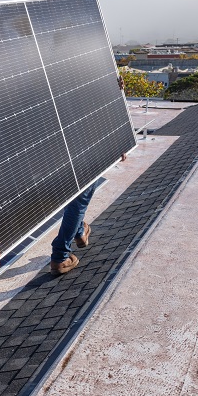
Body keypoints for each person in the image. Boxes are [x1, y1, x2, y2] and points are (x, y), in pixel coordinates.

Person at [50, 75, 128, 275]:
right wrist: (119, 140)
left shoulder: (84, 68)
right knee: (78, 202)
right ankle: (60, 256)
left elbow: (100, 103)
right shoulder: (76, 72)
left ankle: (79, 232)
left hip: (70, 144)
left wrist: (121, 136)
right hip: (82, 146)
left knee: (77, 200)